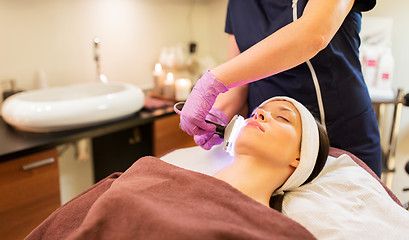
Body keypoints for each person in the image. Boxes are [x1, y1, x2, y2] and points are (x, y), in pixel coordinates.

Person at [26, 97, 328, 240]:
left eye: (283, 118)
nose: (260, 113)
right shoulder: (149, 172)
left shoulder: (279, 234)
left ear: (299, 160)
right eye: (259, 110)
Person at [177, 0, 382, 177]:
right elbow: (239, 80)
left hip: (339, 137)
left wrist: (212, 82)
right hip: (269, 153)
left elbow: (313, 35)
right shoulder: (238, 4)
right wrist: (216, 114)